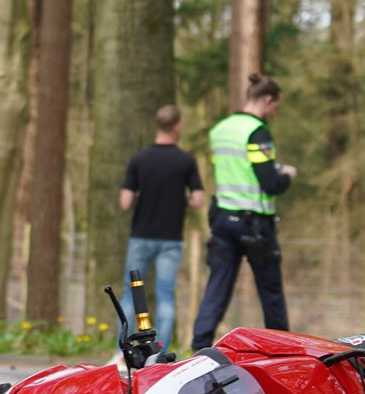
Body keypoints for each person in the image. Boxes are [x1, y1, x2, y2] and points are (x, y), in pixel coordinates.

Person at [190, 74, 297, 350]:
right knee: (270, 290)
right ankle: (283, 351)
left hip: (223, 219)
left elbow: (234, 169)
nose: (275, 113)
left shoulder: (221, 129)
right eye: (276, 107)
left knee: (217, 288)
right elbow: (270, 183)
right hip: (254, 225)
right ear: (268, 99)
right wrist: (286, 174)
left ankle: (199, 346)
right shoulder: (257, 132)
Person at [120, 105, 207, 347]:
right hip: (170, 239)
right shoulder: (186, 161)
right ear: (177, 126)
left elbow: (125, 202)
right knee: (165, 296)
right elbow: (199, 200)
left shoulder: (138, 160)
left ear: (158, 126)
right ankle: (161, 353)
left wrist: (141, 197)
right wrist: (182, 201)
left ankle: (124, 350)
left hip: (141, 237)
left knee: (130, 295)